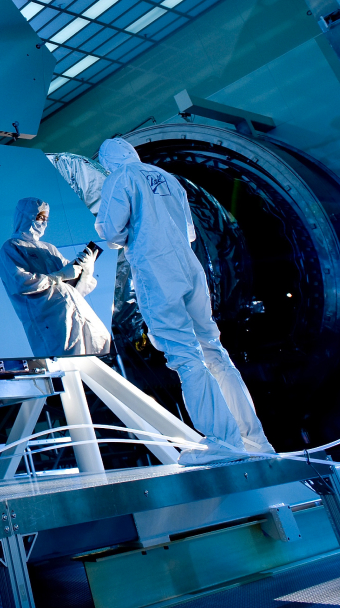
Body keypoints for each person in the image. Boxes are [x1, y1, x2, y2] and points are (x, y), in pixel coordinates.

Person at [94, 138, 274, 463]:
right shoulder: (167, 178)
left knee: (185, 356)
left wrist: (121, 238)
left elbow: (109, 232)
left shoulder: (120, 179)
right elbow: (190, 233)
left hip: (156, 269)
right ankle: (255, 443)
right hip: (191, 268)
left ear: (109, 162)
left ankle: (223, 442)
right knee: (215, 353)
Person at [0, 197, 110, 357]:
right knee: (69, 365)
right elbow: (21, 283)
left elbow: (74, 287)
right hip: (51, 320)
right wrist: (60, 275)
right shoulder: (11, 248)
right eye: (39, 217)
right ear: (25, 216)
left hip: (77, 310)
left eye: (46, 219)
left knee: (102, 349)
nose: (43, 223)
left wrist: (86, 271)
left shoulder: (49, 248)